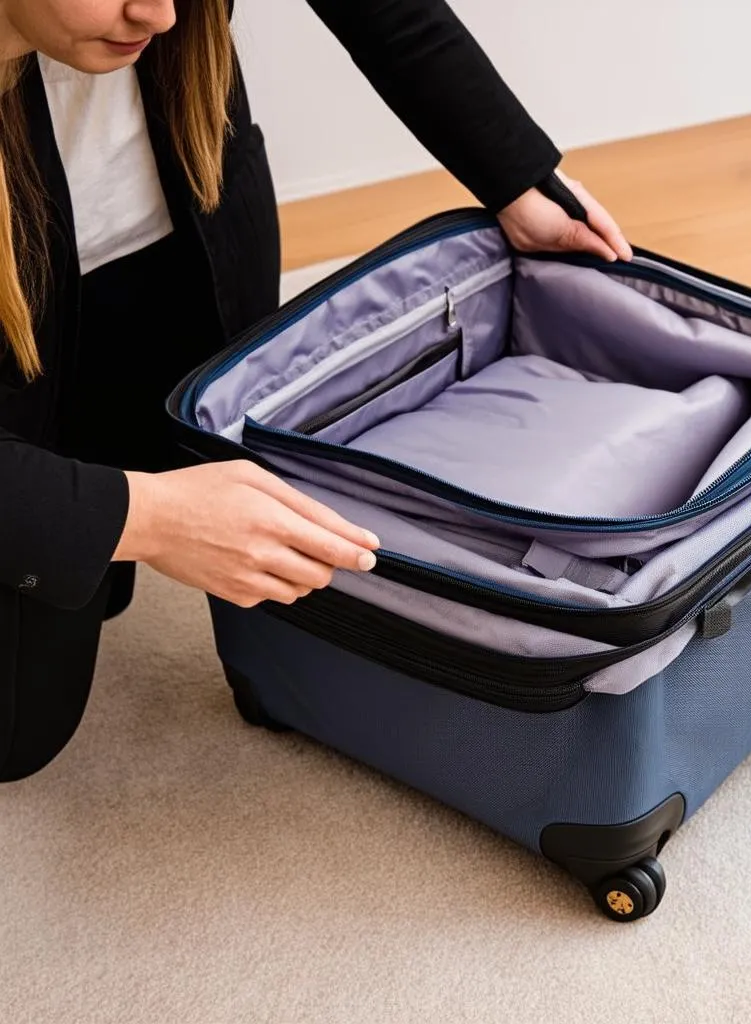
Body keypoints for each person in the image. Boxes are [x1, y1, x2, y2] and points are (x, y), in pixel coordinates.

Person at [0, 0, 633, 782]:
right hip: (13, 314)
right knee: (16, 736)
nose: (162, 15)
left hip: (181, 244)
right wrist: (146, 519)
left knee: (104, 563)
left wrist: (518, 178)